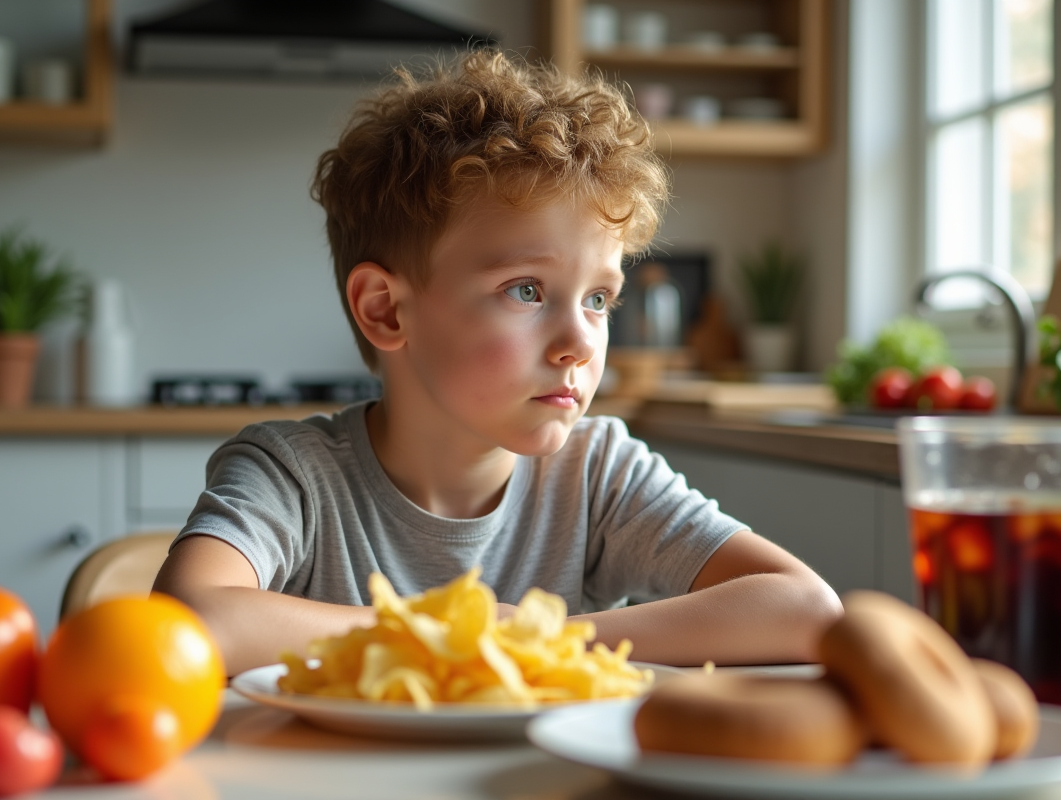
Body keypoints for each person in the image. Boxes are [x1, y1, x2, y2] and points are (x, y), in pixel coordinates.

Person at [153, 49, 842, 677]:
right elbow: (191, 618)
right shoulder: (293, 476)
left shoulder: (597, 475)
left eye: (599, 298)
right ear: (386, 310)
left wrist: (548, 641)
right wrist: (464, 636)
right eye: (527, 291)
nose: (580, 341)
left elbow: (806, 609)